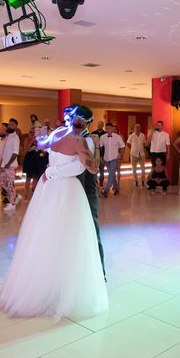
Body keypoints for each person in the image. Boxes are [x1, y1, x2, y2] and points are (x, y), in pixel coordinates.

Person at [0, 113, 107, 320]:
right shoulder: (80, 141)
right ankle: (65, 287)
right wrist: (93, 152)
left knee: (46, 232)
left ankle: (44, 284)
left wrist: (51, 172)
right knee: (72, 235)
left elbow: (42, 148)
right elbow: (91, 167)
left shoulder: (56, 135)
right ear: (85, 123)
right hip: (67, 189)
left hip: (48, 188)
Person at [63, 105, 105, 277]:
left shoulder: (88, 140)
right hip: (69, 192)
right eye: (73, 117)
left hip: (85, 193)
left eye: (79, 118)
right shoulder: (68, 138)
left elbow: (89, 168)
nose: (74, 121)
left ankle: (97, 273)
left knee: (90, 232)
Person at [1, 121, 22, 212]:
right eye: (9, 124)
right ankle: (16, 196)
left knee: (10, 185)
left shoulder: (15, 137)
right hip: (3, 165)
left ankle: (12, 203)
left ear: (16, 127)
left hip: (10, 166)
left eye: (12, 125)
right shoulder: (7, 136)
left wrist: (8, 164)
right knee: (2, 183)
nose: (9, 126)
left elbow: (15, 153)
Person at [100, 123, 125, 197]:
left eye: (110, 128)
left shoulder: (118, 137)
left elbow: (123, 146)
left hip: (114, 158)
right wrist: (101, 157)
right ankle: (116, 189)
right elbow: (101, 148)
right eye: (107, 128)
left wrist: (120, 155)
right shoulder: (102, 137)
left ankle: (106, 191)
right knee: (112, 175)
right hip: (106, 159)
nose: (108, 130)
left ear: (112, 128)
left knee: (110, 175)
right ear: (105, 129)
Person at [91, 121, 106, 187]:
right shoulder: (93, 133)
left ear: (103, 125)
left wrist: (103, 156)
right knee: (94, 170)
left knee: (102, 170)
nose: (99, 125)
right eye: (98, 124)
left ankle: (101, 184)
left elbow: (105, 147)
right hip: (94, 155)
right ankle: (95, 184)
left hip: (102, 155)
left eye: (100, 124)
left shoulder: (105, 134)